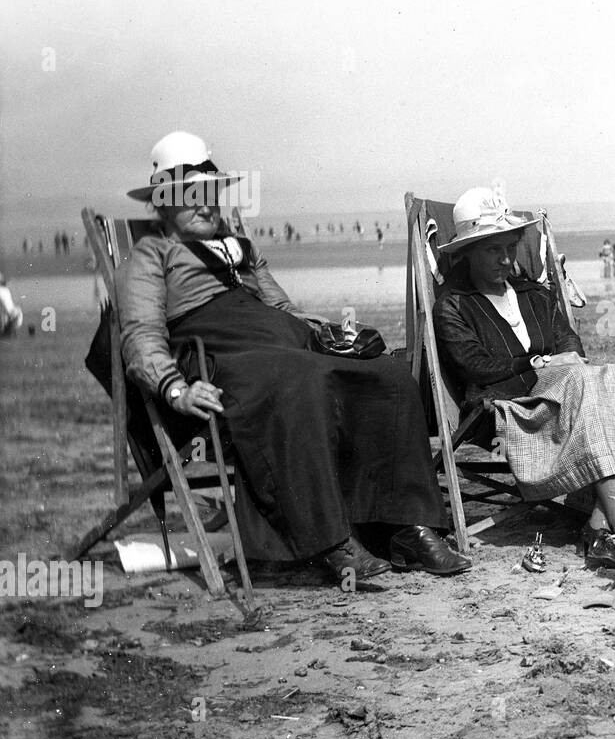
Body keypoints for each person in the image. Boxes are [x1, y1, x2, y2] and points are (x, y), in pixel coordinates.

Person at [117, 131, 470, 582]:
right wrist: (175, 388)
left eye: (211, 193)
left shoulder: (236, 247)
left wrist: (326, 333)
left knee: (387, 374)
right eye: (191, 198)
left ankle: (406, 524)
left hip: (281, 344)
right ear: (162, 205)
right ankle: (332, 543)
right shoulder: (150, 255)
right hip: (223, 355)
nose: (206, 205)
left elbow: (281, 308)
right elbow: (141, 334)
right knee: (299, 380)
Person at [433, 187, 615, 561]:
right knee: (583, 385)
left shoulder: (531, 293)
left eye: (510, 247)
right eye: (492, 250)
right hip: (509, 407)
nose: (506, 258)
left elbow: (567, 339)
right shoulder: (454, 305)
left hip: (565, 396)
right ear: (467, 252)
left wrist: (564, 360)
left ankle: (597, 524)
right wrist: (537, 365)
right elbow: (473, 365)